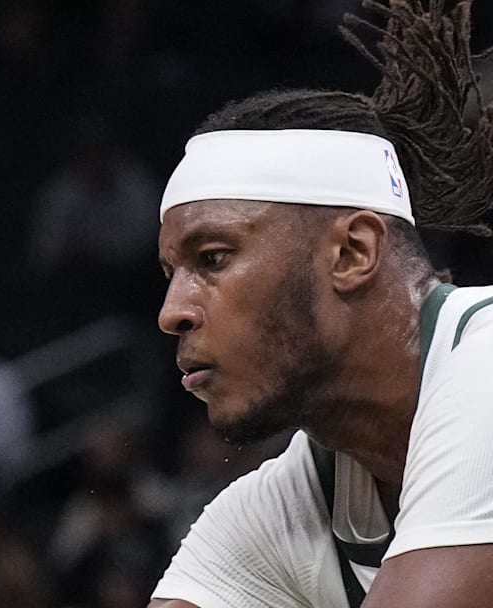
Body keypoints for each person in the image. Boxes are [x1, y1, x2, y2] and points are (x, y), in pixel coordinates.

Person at [149, 1, 493, 607]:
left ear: (352, 252)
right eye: (171, 272)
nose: (172, 311)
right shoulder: (277, 510)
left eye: (213, 259)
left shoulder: (485, 364)